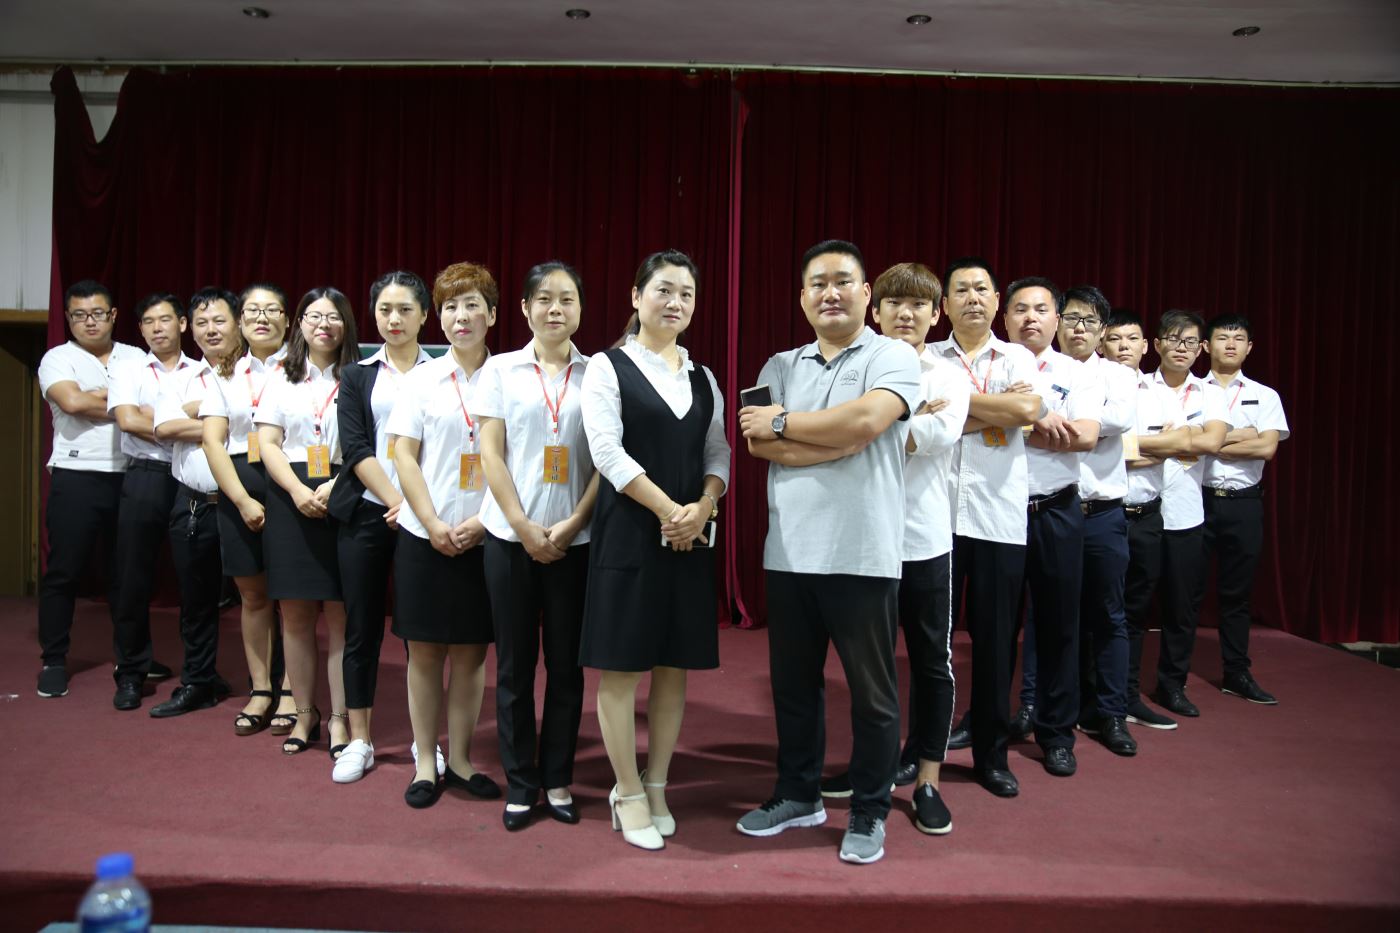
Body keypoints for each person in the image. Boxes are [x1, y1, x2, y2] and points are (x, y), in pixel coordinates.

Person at [737, 239, 920, 866]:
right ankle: (798, 794)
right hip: (789, 553)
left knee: (872, 694)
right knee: (794, 687)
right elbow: (757, 443)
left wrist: (790, 424)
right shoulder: (779, 365)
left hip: (862, 551)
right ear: (802, 298)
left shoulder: (892, 354)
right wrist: (838, 440)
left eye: (843, 281)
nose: (830, 293)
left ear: (866, 293)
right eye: (818, 283)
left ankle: (869, 808)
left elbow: (869, 420)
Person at [578, 250, 730, 851]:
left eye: (686, 294)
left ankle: (657, 782)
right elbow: (606, 452)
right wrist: (671, 511)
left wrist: (704, 506)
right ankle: (626, 791)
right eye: (664, 290)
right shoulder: (606, 367)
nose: (676, 303)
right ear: (636, 296)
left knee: (673, 667)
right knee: (622, 669)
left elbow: (717, 453)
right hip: (630, 536)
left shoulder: (704, 377)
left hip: (688, 540)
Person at [477, 261, 599, 831]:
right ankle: (521, 783)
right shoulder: (500, 370)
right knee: (514, 668)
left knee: (567, 668)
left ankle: (557, 777)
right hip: (509, 540)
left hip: (577, 541)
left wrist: (574, 522)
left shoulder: (599, 373)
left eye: (566, 298)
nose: (556, 309)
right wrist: (523, 526)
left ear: (580, 308)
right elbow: (490, 454)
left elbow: (607, 458)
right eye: (544, 299)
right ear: (525, 308)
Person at [849, 261, 968, 833]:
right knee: (866, 667)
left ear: (935, 313)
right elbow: (844, 434)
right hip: (863, 540)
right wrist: (902, 419)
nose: (906, 313)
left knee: (931, 663)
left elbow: (934, 438)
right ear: (875, 310)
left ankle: (927, 779)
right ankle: (871, 770)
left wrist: (869, 423)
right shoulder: (855, 367)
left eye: (919, 303)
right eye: (894, 302)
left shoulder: (948, 376)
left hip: (924, 541)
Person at [388, 262, 504, 809]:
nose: (462, 316)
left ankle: (460, 759)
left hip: (487, 534)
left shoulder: (508, 377)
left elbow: (519, 461)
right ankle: (424, 762)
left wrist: (483, 521)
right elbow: (403, 456)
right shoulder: (421, 379)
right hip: (424, 536)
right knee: (425, 654)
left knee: (472, 654)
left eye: (472, 304)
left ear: (493, 315)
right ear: (439, 317)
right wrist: (432, 522)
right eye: (452, 306)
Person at [933, 259, 1043, 797]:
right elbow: (916, 416)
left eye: (982, 289)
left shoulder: (1018, 355)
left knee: (997, 642)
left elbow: (1026, 411)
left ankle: (992, 756)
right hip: (934, 519)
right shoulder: (926, 357)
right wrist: (995, 410)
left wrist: (953, 409)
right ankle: (923, 749)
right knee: (933, 643)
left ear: (996, 301)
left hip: (998, 518)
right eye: (961, 290)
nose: (972, 298)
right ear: (944, 305)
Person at [327, 272, 434, 784]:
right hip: (369, 513)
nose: (394, 319)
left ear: (424, 315)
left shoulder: (442, 375)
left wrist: (415, 510)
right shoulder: (356, 375)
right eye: (385, 310)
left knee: (420, 634)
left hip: (426, 518)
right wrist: (397, 501)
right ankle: (359, 740)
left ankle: (424, 743)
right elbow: (355, 449)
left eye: (405, 310)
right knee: (361, 629)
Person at [254, 287, 360, 755]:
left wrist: (338, 485)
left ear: (346, 324)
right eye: (314, 316)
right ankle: (303, 714)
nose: (323, 325)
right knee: (295, 615)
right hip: (289, 497)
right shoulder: (282, 377)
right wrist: (297, 491)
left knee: (340, 616)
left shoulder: (360, 375)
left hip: (345, 490)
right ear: (299, 324)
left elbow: (370, 442)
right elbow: (268, 443)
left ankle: (339, 719)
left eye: (333, 317)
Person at [1004, 277, 1103, 778]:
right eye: (1020, 308)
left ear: (1057, 319)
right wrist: (1045, 424)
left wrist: (1016, 423)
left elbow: (1083, 437)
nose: (1030, 318)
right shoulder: (992, 366)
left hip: (1057, 511)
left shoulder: (1077, 372)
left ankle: (1057, 733)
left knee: (1060, 627)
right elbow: (965, 425)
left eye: (1041, 309)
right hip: (997, 513)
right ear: (1005, 317)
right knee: (995, 628)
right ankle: (988, 722)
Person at [35, 280, 145, 699]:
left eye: (98, 313)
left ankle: (131, 658)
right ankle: (53, 659)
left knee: (127, 574)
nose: (89, 322)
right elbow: (73, 403)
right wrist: (122, 405)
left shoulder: (135, 357)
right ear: (68, 318)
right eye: (79, 315)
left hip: (132, 473)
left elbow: (154, 406)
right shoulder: (57, 358)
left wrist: (98, 397)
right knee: (64, 571)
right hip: (76, 474)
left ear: (113, 315)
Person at [200, 284, 294, 736]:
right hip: (239, 487)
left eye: (272, 310)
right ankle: (261, 688)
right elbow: (212, 441)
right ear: (241, 321)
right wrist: (240, 499)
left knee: (295, 599)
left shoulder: (304, 367)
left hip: (291, 485)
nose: (262, 317)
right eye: (253, 310)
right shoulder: (226, 372)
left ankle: (293, 689)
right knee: (253, 596)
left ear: (288, 321)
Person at [1100, 312, 1197, 731]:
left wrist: (1124, 448)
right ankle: (1092, 702)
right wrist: (1156, 448)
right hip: (1106, 514)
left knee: (1135, 613)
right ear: (1102, 344)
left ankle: (1126, 696)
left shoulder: (1161, 394)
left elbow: (1183, 442)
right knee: (1098, 613)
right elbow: (1092, 449)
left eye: (1132, 339)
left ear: (1146, 346)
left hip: (1149, 516)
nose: (1124, 346)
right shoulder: (1092, 387)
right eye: (1115, 338)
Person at [1053, 287, 1139, 756]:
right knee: (1049, 617)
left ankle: (1111, 713)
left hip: (1102, 513)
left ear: (1103, 331)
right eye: (1071, 318)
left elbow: (1118, 419)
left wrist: (1055, 423)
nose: (1079, 328)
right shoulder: (1041, 368)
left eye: (1089, 320)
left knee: (1109, 615)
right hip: (1051, 510)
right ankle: (1040, 709)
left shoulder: (1119, 375)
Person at [147, 289, 242, 716]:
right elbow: (164, 428)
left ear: (238, 323)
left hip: (246, 503)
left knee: (260, 600)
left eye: (219, 321)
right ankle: (199, 681)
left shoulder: (256, 374)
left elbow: (259, 426)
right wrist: (221, 421)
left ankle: (273, 687)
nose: (210, 330)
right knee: (197, 601)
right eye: (201, 323)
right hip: (193, 504)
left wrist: (197, 414)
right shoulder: (182, 376)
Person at [107, 293, 194, 710]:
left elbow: (222, 424)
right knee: (132, 578)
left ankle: (199, 673)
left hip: (191, 476)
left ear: (182, 323)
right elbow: (127, 420)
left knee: (197, 578)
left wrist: (154, 418)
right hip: (145, 476)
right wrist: (182, 424)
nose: (157, 328)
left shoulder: (203, 371)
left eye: (165, 319)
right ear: (140, 329)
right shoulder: (128, 370)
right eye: (148, 322)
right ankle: (130, 673)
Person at [1202, 314, 1289, 704]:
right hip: (1197, 501)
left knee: (1236, 594)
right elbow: (1183, 441)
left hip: (1244, 503)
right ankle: (1172, 678)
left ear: (1250, 347)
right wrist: (1245, 434)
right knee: (1184, 592)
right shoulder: (1191, 390)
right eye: (1223, 338)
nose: (1231, 344)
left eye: (1239, 338)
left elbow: (1267, 448)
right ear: (1207, 346)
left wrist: (1211, 440)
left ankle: (1236, 672)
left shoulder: (1265, 395)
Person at [1147, 310, 1228, 718]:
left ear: (1200, 350)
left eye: (1190, 342)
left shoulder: (1210, 393)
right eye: (1174, 339)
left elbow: (1214, 442)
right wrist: (1188, 438)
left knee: (1181, 608)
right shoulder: (1139, 386)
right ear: (1157, 343)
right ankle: (1118, 689)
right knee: (1128, 607)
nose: (1181, 348)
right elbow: (1126, 442)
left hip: (1186, 515)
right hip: (1139, 512)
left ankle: (1172, 685)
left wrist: (1166, 439)